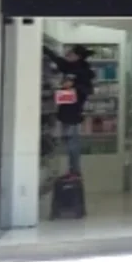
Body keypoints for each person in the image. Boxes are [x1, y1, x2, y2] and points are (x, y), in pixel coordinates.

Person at [44, 44, 95, 177]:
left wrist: (74, 85)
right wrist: (45, 48)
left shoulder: (84, 71)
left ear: (77, 56)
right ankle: (73, 170)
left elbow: (88, 90)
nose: (68, 54)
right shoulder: (68, 66)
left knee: (72, 140)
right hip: (65, 107)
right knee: (69, 140)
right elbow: (57, 59)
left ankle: (75, 170)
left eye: (71, 53)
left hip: (74, 109)